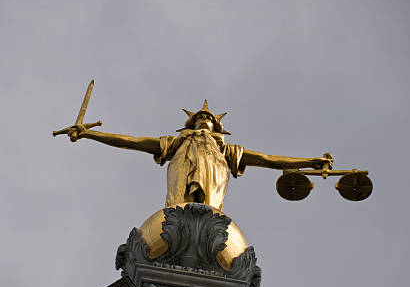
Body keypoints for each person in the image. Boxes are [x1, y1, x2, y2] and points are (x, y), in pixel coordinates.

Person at [67, 100, 332, 211]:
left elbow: (268, 159)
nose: (204, 119)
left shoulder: (225, 150)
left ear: (217, 127)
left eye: (209, 118)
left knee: (208, 214)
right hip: (182, 169)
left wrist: (308, 162)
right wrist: (91, 134)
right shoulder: (177, 143)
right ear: (191, 123)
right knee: (179, 210)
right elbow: (132, 142)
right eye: (200, 117)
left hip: (215, 172)